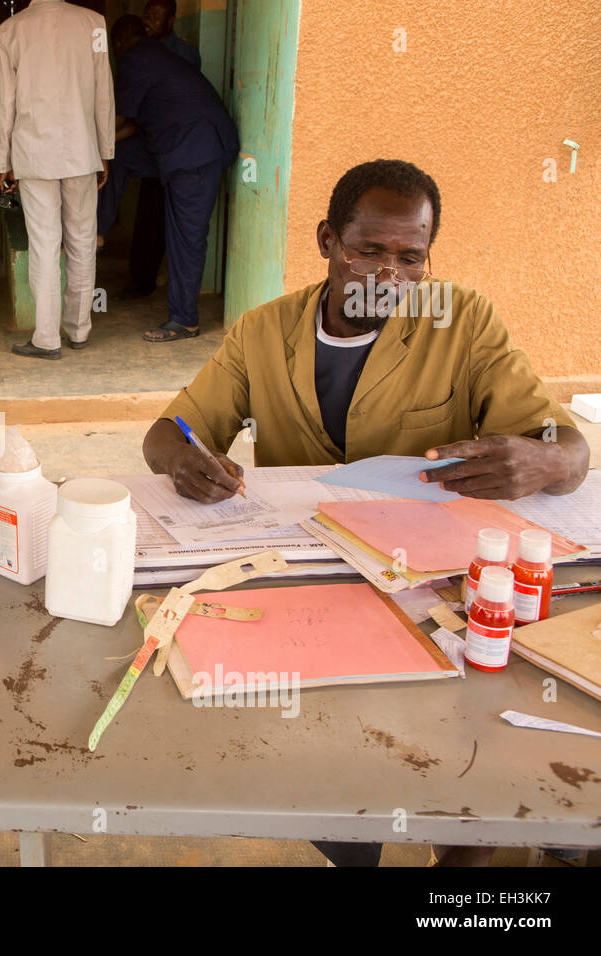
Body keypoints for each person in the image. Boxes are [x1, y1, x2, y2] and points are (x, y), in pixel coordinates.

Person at [143, 159, 590, 865]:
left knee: (466, 769)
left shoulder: (463, 322)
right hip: (319, 585)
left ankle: (465, 857)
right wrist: (181, 460)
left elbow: (564, 446)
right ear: (327, 240)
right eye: (369, 252)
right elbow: (171, 432)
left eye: (411, 258)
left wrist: (550, 461)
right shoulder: (264, 333)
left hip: (441, 586)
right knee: (340, 773)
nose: (390, 276)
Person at [97, 16, 237, 342]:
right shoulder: (155, 57)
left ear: (118, 45)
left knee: (185, 235)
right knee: (118, 157)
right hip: (178, 146)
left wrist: (92, 148)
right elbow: (129, 128)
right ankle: (98, 230)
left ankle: (185, 320)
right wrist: (100, 149)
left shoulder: (135, 58)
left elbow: (117, 120)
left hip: (196, 153)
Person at [0, 0, 115, 358]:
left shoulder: (9, 31)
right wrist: (105, 152)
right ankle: (79, 329)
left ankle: (47, 338)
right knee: (81, 240)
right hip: (81, 150)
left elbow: (5, 103)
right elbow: (103, 93)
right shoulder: (94, 24)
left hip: (33, 154)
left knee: (44, 245)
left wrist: (4, 160)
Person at [119, 0, 200, 300]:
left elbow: (170, 109)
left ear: (172, 21)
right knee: (147, 216)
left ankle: (176, 301)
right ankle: (140, 282)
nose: (149, 21)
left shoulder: (183, 55)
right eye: (146, 16)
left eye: (156, 17)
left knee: (174, 223)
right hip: (154, 147)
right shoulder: (139, 55)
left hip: (179, 150)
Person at [144, 0, 201, 68]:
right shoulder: (141, 46)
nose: (146, 21)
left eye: (155, 17)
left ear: (170, 21)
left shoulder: (184, 54)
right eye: (146, 15)